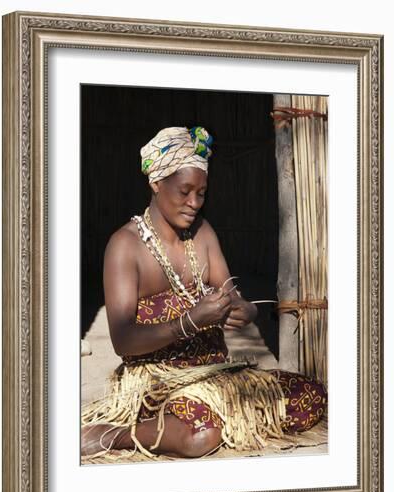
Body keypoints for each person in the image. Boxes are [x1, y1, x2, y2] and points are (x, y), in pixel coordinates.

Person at [81, 126, 327, 460]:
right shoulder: (125, 246)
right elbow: (123, 340)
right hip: (158, 382)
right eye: (184, 191)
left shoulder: (203, 233)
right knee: (200, 435)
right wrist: (190, 321)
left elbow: (231, 293)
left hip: (216, 376)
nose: (194, 202)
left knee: (310, 395)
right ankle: (118, 434)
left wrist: (245, 310)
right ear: (156, 182)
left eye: (201, 192)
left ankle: (208, 419)